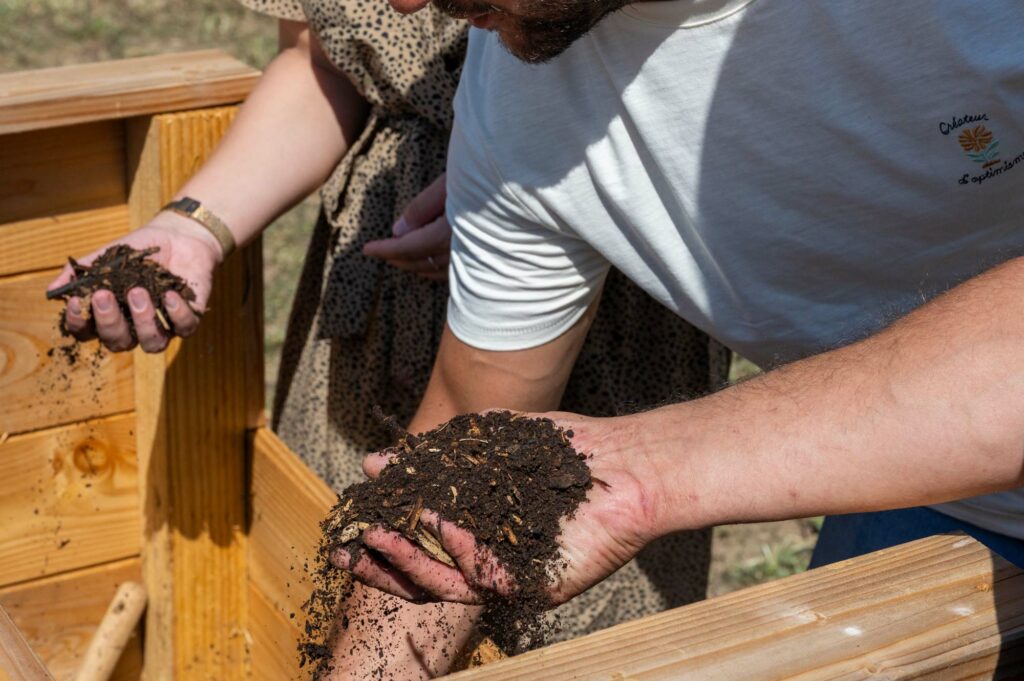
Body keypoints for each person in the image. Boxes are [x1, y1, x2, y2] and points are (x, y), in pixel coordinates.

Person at [47, 0, 731, 677]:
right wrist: (195, 225)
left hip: (607, 294)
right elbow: (317, 60)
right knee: (345, 564)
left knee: (561, 610)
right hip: (380, 306)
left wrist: (519, 187)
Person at [333, 0, 1024, 665]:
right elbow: (461, 455)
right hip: (929, 495)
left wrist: (650, 468)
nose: (403, 5)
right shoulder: (518, 91)